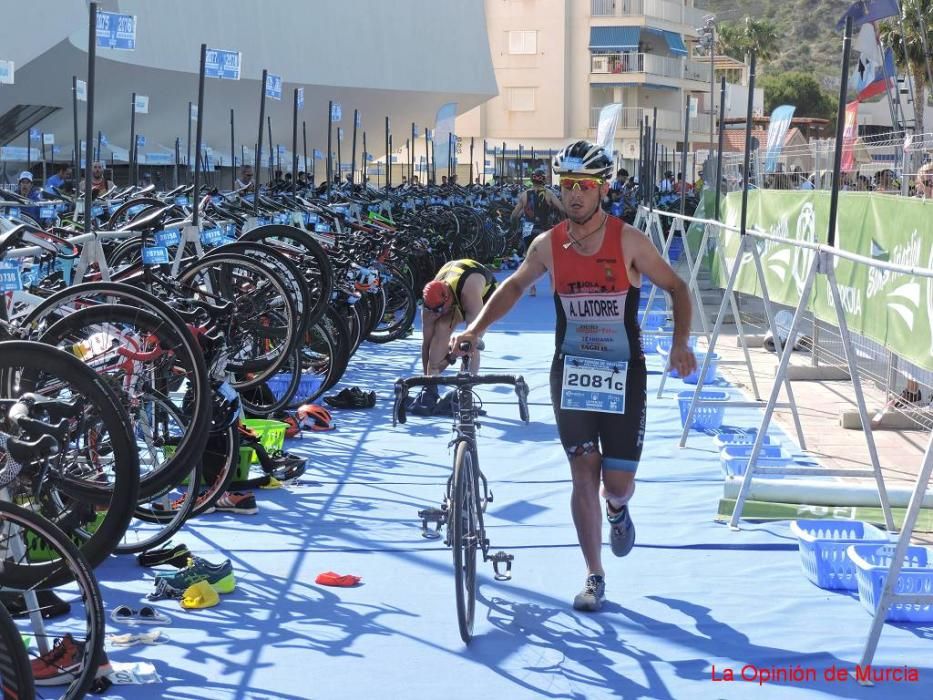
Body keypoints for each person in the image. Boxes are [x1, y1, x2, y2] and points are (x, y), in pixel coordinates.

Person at [449, 140, 697, 612]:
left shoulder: (627, 240)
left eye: (584, 186)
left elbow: (677, 287)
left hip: (624, 373)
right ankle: (594, 573)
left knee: (615, 481)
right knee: (582, 472)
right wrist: (475, 327)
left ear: (602, 188)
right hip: (573, 372)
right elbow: (517, 284)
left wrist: (681, 342)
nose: (575, 195)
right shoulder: (548, 244)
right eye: (567, 186)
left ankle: (619, 509)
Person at [411, 259, 498, 415]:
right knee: (441, 328)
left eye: (439, 309)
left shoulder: (468, 292)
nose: (436, 313)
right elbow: (426, 344)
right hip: (452, 289)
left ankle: (465, 393)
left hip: (484, 294)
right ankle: (431, 385)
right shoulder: (430, 307)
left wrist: (453, 355)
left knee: (469, 345)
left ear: (447, 298)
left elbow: (473, 337)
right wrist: (428, 381)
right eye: (433, 310)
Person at [510, 167, 565, 296]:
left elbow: (514, 215)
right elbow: (562, 209)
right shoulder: (548, 193)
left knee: (529, 259)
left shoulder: (524, 194)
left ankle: (532, 288)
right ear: (543, 180)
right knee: (551, 258)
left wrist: (514, 226)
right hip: (544, 229)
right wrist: (562, 221)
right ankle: (554, 287)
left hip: (528, 230)